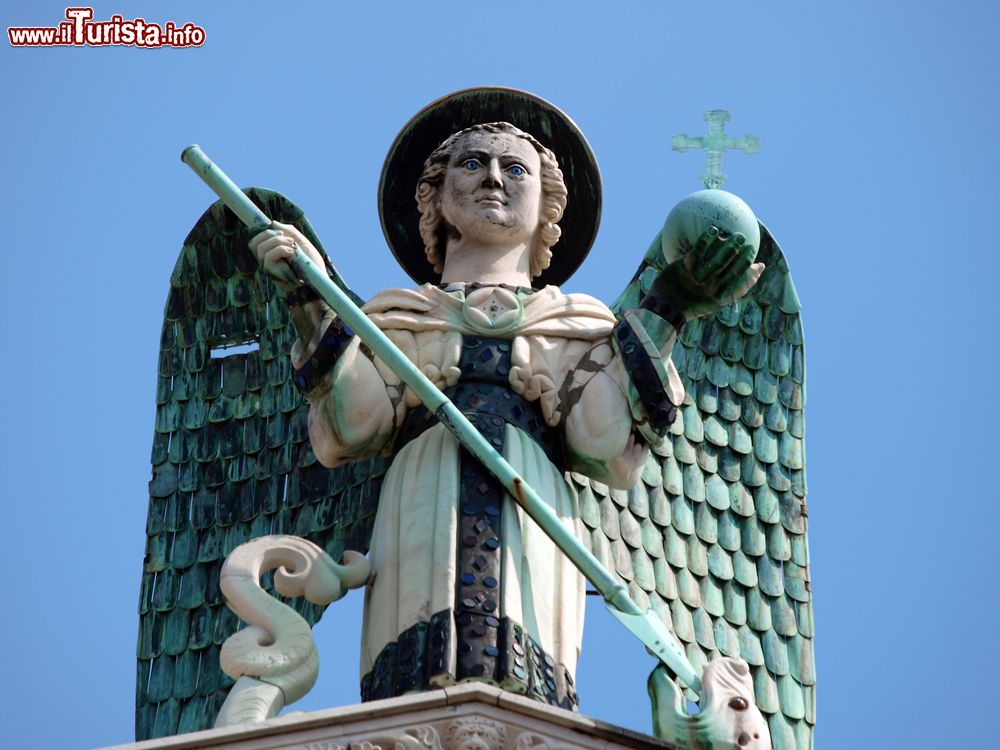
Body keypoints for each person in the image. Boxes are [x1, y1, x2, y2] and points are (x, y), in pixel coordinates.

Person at [250, 92, 760, 710]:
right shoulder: (394, 318)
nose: (493, 176)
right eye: (472, 164)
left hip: (535, 505)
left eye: (514, 169)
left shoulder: (582, 325)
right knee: (413, 683)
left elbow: (600, 444)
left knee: (528, 685)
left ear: (547, 206)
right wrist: (309, 300)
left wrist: (668, 305)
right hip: (421, 498)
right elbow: (350, 429)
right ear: (435, 198)